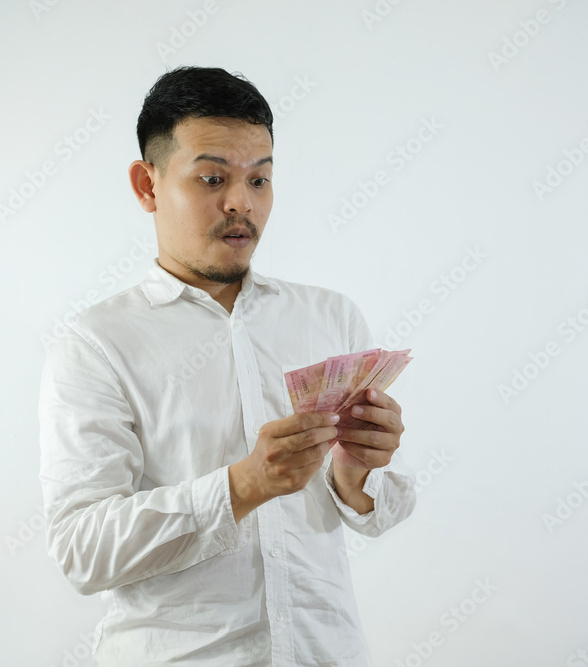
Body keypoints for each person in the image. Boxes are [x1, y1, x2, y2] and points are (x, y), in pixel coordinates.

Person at [38, 66, 416, 666]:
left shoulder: (330, 318)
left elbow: (375, 515)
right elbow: (83, 550)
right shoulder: (96, 343)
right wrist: (243, 486)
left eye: (260, 179)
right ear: (147, 185)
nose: (241, 202)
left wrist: (354, 476)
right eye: (212, 177)